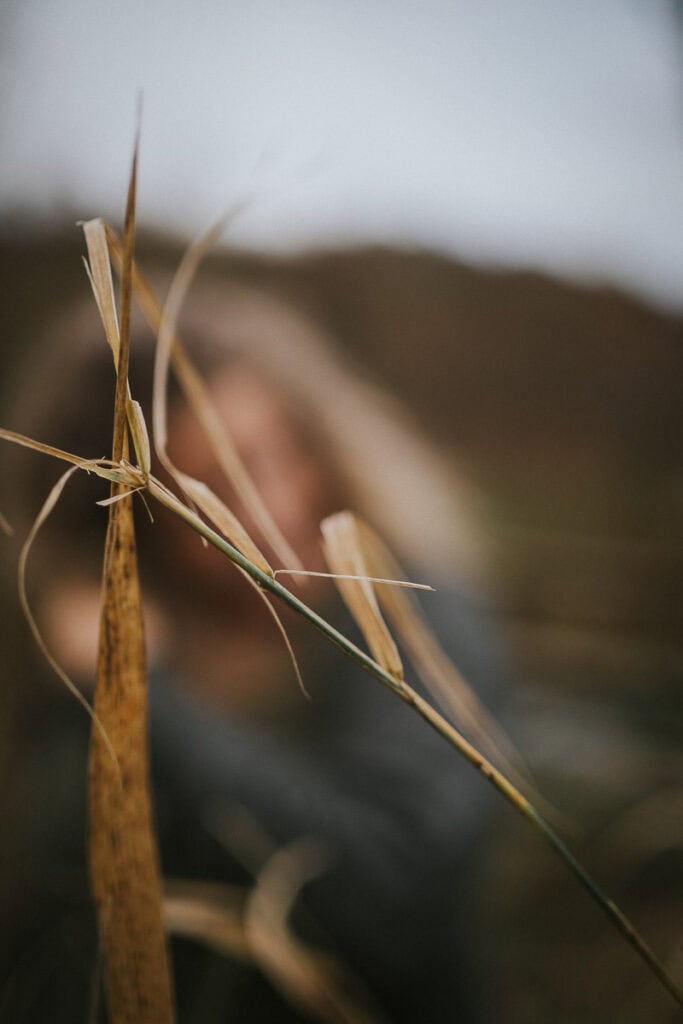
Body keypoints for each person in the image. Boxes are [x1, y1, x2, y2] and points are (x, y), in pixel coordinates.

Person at [1, 262, 510, 1022]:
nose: (272, 513)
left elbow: (391, 900)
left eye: (280, 453)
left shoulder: (416, 612)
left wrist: (144, 696)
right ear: (135, 518)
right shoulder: (68, 638)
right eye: (212, 488)